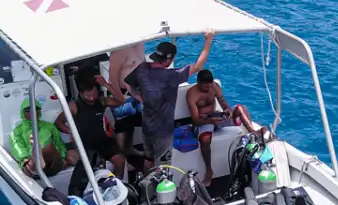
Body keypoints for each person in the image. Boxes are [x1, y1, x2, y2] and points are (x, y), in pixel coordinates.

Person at [125, 31, 215, 167]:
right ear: (168, 60)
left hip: (147, 127)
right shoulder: (171, 76)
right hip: (163, 132)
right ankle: (156, 188)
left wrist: (140, 97)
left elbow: (128, 85)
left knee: (148, 159)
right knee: (163, 167)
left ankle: (145, 185)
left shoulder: (142, 69)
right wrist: (208, 40)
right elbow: (198, 66)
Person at [56, 73, 131, 195]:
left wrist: (106, 84)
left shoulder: (101, 101)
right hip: (86, 144)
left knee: (120, 161)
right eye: (88, 96)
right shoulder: (74, 106)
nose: (91, 98)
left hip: (104, 142)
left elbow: (120, 100)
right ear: (80, 93)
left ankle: (116, 190)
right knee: (90, 167)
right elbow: (58, 123)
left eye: (94, 95)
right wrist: (72, 132)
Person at [185, 69, 256, 185]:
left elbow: (223, 104)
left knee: (240, 108)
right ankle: (209, 171)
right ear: (198, 82)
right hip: (203, 120)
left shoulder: (215, 87)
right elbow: (196, 120)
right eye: (205, 87)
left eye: (209, 86)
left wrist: (227, 112)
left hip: (216, 117)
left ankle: (253, 133)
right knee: (205, 139)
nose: (208, 89)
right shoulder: (191, 94)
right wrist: (211, 121)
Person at [10, 99, 78, 179]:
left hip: (52, 161)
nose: (32, 112)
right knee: (30, 161)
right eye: (28, 110)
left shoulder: (49, 126)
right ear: (23, 112)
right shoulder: (17, 131)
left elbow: (59, 144)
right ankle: (36, 157)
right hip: (32, 167)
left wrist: (63, 158)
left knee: (72, 154)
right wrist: (33, 156)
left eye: (36, 109)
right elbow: (18, 150)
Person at [107, 43, 145, 153]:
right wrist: (119, 97)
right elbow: (113, 77)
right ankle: (123, 159)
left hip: (138, 91)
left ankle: (129, 149)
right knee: (122, 127)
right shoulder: (119, 50)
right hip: (123, 93)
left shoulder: (141, 44)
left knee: (133, 124)